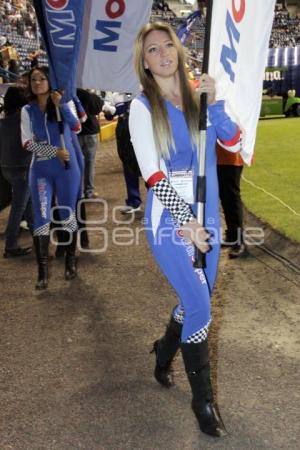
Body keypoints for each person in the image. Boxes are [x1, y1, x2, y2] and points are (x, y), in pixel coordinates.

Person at [129, 22, 242, 438]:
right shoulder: (142, 107)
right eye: (152, 50)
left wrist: (216, 103)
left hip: (208, 217)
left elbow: (233, 142)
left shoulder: (200, 96)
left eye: (166, 46)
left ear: (177, 48)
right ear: (144, 61)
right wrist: (187, 223)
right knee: (201, 306)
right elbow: (153, 176)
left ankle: (164, 351)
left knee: (195, 301)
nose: (162, 54)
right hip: (171, 220)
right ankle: (203, 401)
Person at [21, 66, 81, 289]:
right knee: (41, 218)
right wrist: (52, 151)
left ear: (50, 81)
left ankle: (70, 260)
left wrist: (61, 106)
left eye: (42, 78)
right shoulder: (27, 110)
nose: (37, 83)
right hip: (41, 170)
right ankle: (42, 271)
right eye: (33, 79)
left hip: (67, 168)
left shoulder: (65, 102)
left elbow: (76, 126)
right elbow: (27, 143)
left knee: (67, 215)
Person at [0, 85, 34, 258]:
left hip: (6, 166)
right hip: (21, 166)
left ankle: (39, 239)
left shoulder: (3, 116)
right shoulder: (23, 116)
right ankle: (10, 245)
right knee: (19, 208)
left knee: (28, 205)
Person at [103, 92, 142, 214]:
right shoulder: (115, 94)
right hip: (124, 129)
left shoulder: (143, 89)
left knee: (148, 164)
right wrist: (107, 110)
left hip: (142, 127)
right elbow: (110, 116)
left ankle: (156, 199)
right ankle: (133, 202)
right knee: (128, 164)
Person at [216, 141, 247, 258]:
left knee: (232, 199)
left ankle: (239, 241)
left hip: (231, 157)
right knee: (225, 197)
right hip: (219, 157)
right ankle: (231, 236)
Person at [76, 88, 103, 199]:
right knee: (89, 163)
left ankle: (80, 192)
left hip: (76, 133)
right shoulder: (89, 94)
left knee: (77, 163)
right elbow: (98, 107)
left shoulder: (70, 93)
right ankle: (89, 191)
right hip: (90, 130)